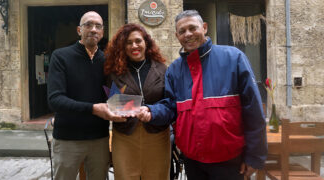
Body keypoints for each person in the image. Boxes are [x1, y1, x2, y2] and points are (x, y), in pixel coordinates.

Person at [137, 10, 268, 180]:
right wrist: (151, 111)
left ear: (204, 27)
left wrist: (254, 157)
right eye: (182, 31)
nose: (188, 34)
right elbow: (171, 106)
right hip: (193, 161)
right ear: (177, 36)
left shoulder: (234, 58)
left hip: (229, 160)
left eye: (193, 28)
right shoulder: (174, 70)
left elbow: (254, 111)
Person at [47, 11, 125, 180]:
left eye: (98, 26)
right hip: (68, 139)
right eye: (88, 25)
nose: (93, 29)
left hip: (99, 139)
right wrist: (93, 109)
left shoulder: (107, 60)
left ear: (103, 32)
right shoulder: (61, 56)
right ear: (78, 30)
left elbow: (112, 96)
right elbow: (55, 100)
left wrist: (125, 108)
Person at [104, 23, 171, 180]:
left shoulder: (162, 69)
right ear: (123, 46)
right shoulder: (113, 72)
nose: (134, 46)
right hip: (124, 136)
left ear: (146, 42)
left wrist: (152, 111)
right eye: (128, 42)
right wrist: (110, 111)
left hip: (157, 136)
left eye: (138, 41)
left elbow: (170, 102)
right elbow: (106, 100)